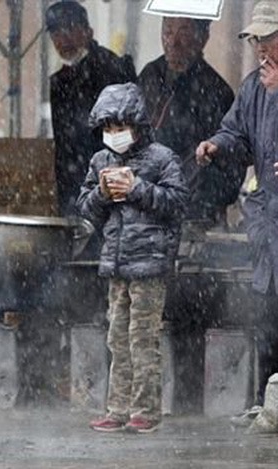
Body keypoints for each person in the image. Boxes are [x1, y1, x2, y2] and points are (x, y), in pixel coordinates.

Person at [78, 83, 188, 433]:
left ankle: (145, 410)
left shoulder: (162, 158)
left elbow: (177, 203)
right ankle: (117, 408)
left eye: (120, 126)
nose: (114, 134)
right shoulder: (100, 161)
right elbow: (85, 209)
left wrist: (136, 189)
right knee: (117, 338)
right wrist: (102, 193)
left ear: (138, 125)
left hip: (149, 265)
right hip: (116, 264)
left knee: (143, 338)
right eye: (108, 128)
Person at [195, 0, 278, 413]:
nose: (260, 47)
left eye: (269, 38)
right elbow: (238, 133)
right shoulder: (253, 87)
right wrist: (217, 145)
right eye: (255, 39)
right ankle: (268, 403)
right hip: (268, 225)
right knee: (267, 318)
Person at [138, 16, 245, 225]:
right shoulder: (150, 76)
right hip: (146, 205)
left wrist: (200, 201)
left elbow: (231, 162)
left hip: (193, 214)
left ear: (203, 37)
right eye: (168, 31)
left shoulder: (216, 91)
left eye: (184, 32)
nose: (173, 42)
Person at [46, 0, 136, 218]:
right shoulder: (59, 81)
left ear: (88, 31)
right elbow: (63, 146)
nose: (63, 39)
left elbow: (126, 138)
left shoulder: (112, 68)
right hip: (73, 189)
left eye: (70, 29)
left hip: (109, 190)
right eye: (56, 33)